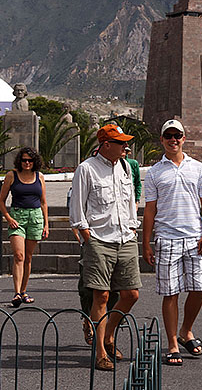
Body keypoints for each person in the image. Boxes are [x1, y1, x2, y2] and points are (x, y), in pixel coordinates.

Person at [69, 124, 141, 372]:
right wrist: (85, 232)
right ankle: (100, 351)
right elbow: (77, 204)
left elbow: (130, 199)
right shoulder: (86, 169)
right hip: (99, 238)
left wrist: (133, 226)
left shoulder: (125, 167)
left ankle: (109, 334)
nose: (125, 146)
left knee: (131, 294)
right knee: (101, 296)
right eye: (120, 142)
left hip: (125, 236)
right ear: (106, 145)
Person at [142, 120, 202, 366]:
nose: (173, 139)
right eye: (168, 136)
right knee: (170, 293)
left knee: (199, 288)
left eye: (178, 135)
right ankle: (173, 343)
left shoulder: (199, 168)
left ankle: (186, 330)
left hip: (194, 237)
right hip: (167, 238)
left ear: (184, 138)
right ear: (162, 139)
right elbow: (149, 210)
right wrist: (146, 243)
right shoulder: (154, 172)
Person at [0, 147, 49, 307]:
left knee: (28, 257)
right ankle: (17, 293)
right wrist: (8, 218)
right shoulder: (11, 176)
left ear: (35, 162)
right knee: (19, 255)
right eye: (24, 160)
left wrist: (46, 224)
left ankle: (24, 290)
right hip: (17, 217)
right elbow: (1, 201)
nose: (27, 163)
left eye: (30, 160)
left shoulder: (39, 176)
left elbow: (43, 202)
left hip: (35, 217)